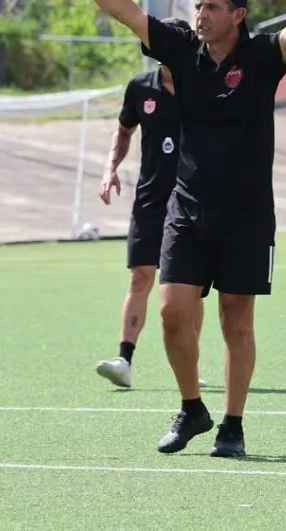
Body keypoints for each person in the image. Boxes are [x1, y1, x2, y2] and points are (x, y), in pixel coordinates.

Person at [53, 0, 286, 457]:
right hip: (187, 207)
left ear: (237, 14)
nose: (201, 14)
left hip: (248, 214)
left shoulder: (259, 57)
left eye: (212, 7)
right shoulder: (183, 50)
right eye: (198, 6)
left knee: (236, 317)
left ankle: (232, 424)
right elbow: (130, 13)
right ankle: (192, 407)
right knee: (172, 311)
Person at [95, 32, 209, 390]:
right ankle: (123, 360)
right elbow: (124, 130)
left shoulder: (203, 85)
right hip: (150, 199)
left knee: (191, 289)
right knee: (140, 277)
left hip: (194, 199)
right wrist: (110, 167)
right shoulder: (140, 88)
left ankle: (190, 362)